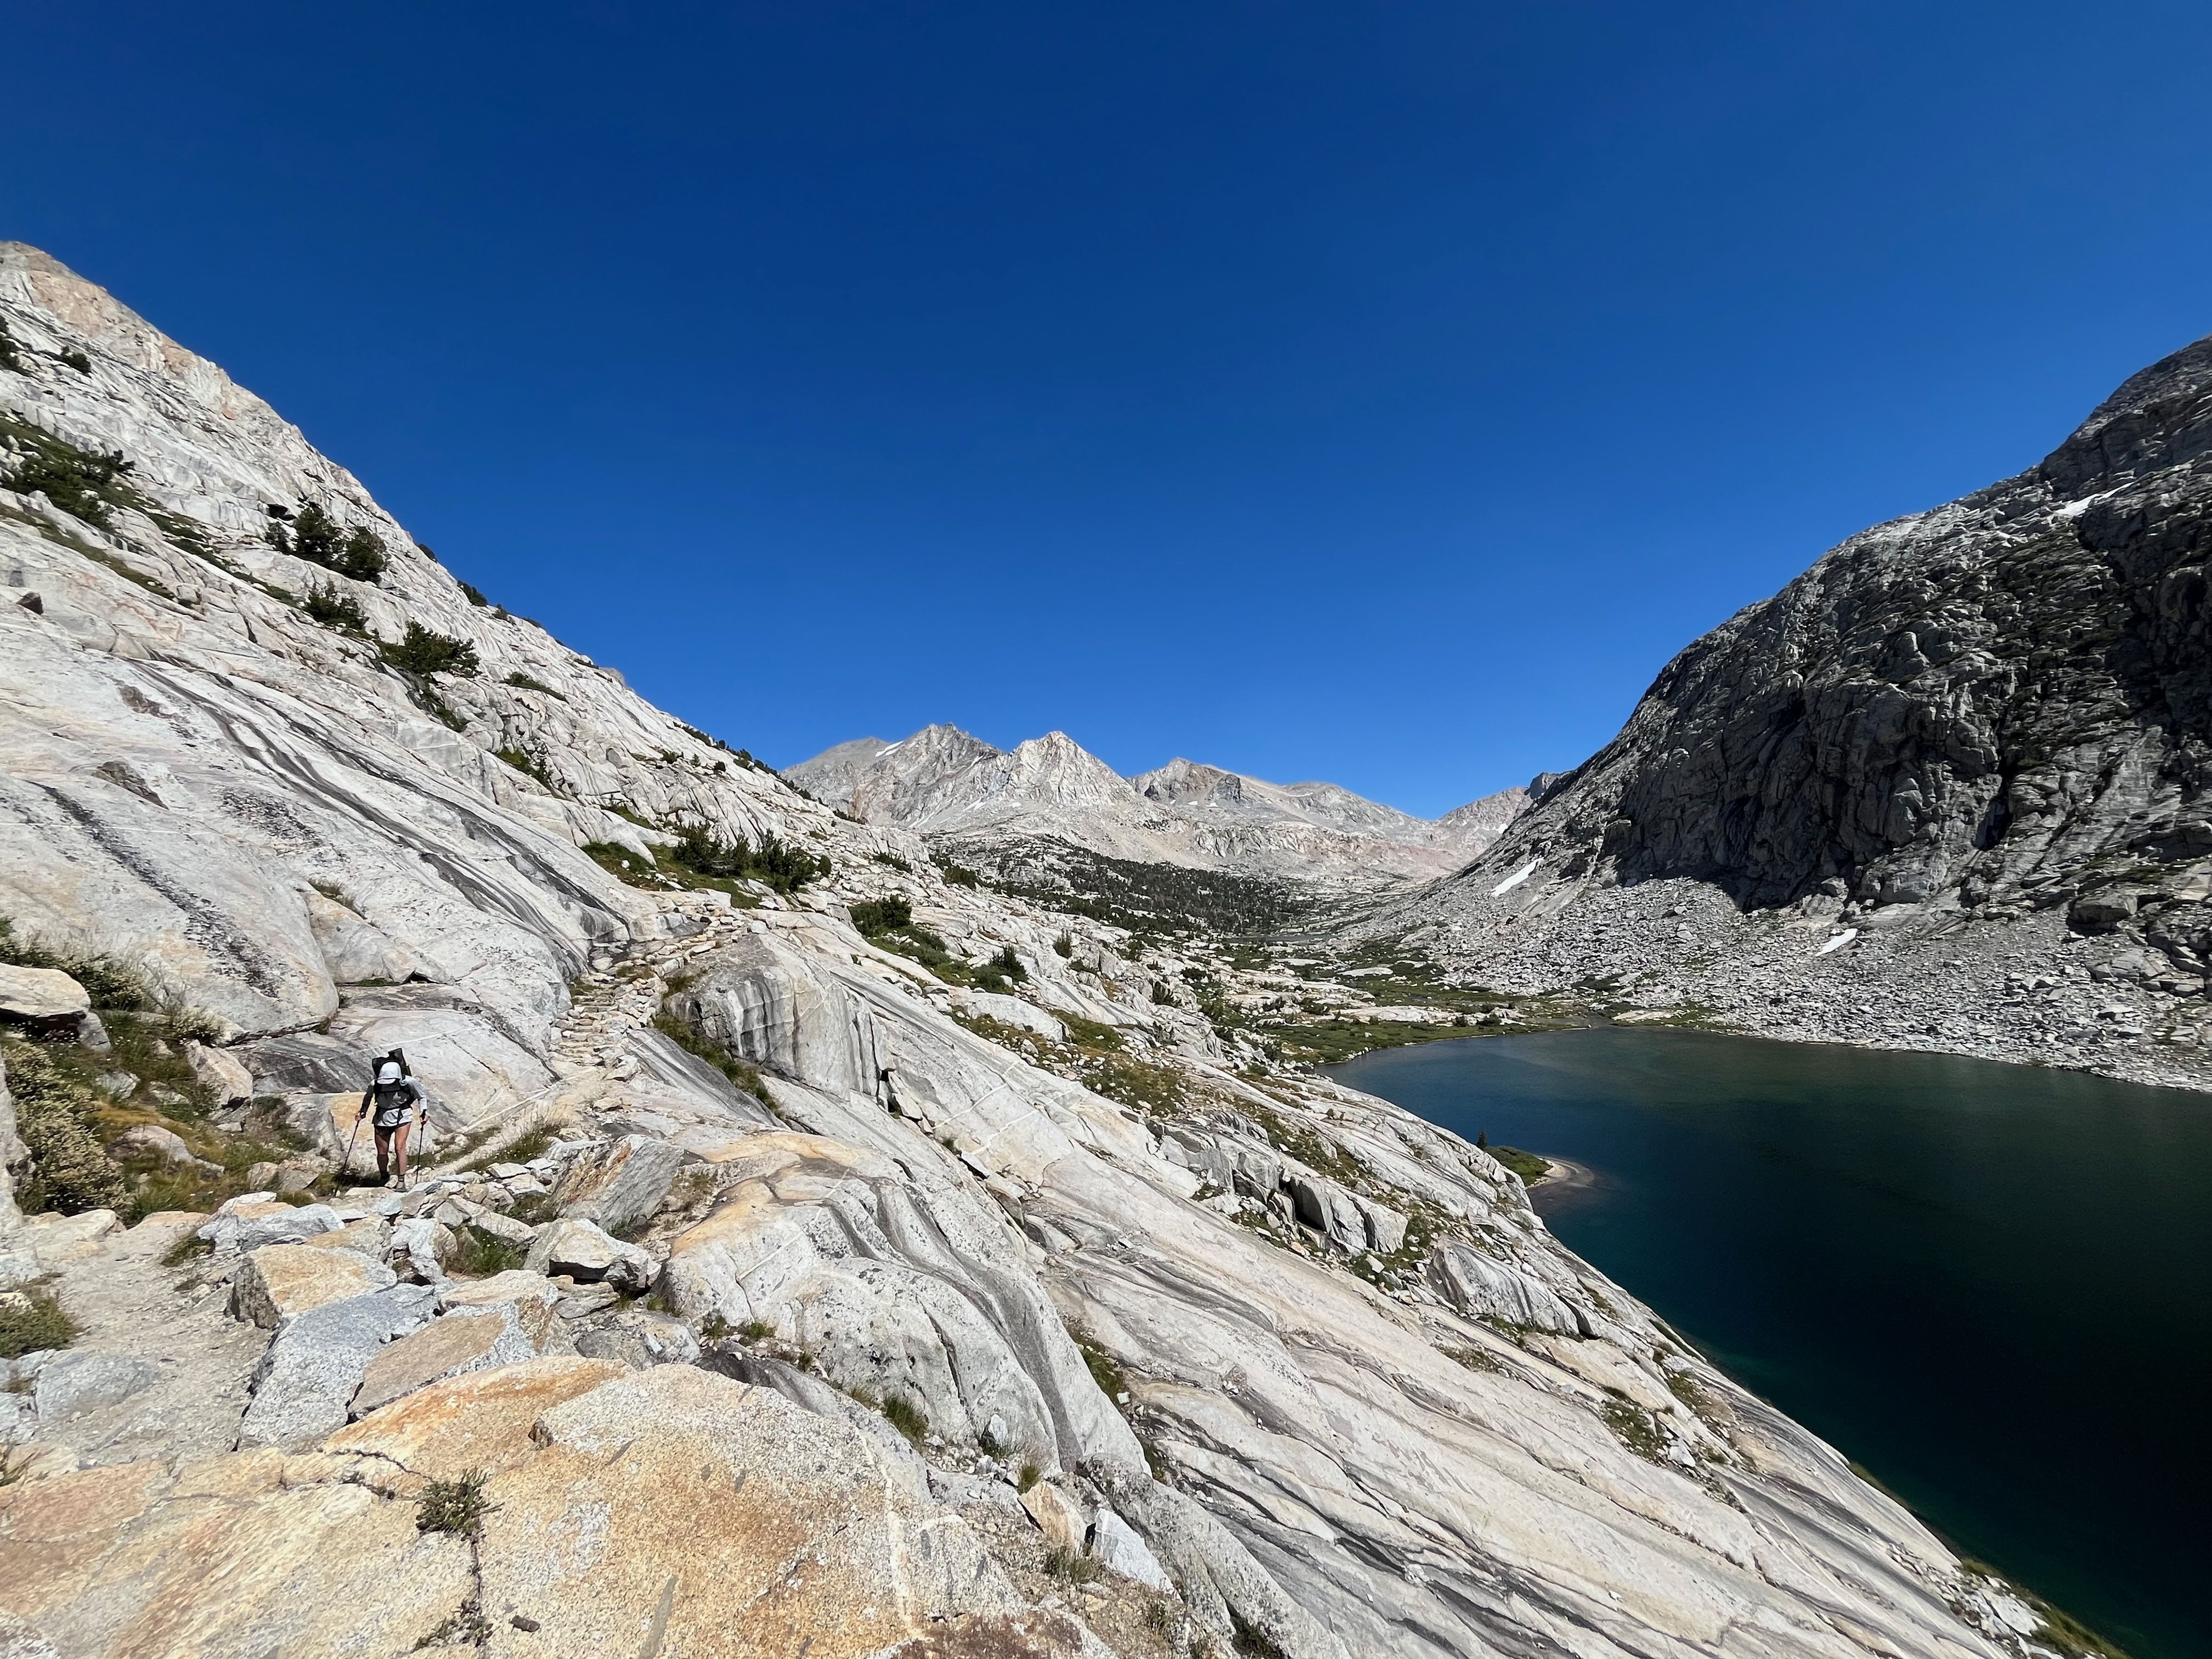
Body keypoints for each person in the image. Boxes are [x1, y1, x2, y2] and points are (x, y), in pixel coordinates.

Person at [358, 1058, 425, 1187]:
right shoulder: (375, 1084)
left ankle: (401, 1181)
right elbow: (368, 1097)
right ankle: (384, 1176)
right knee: (382, 1151)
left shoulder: (409, 1082)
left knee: (400, 1147)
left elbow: (422, 1096)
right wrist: (363, 1111)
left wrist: (423, 1113)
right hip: (382, 1116)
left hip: (403, 1115)